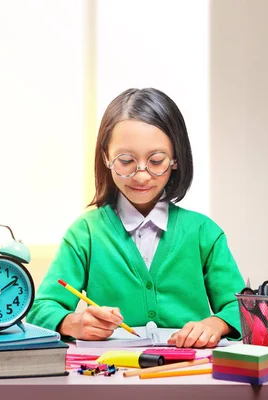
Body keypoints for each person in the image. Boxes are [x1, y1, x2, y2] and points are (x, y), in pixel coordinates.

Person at [27, 88, 245, 348]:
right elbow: (40, 309)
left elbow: (243, 309)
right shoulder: (85, 233)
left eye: (156, 161)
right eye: (126, 160)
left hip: (188, 374)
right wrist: (73, 322)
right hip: (110, 376)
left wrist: (215, 325)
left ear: (176, 159)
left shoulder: (204, 233)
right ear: (106, 158)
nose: (141, 176)